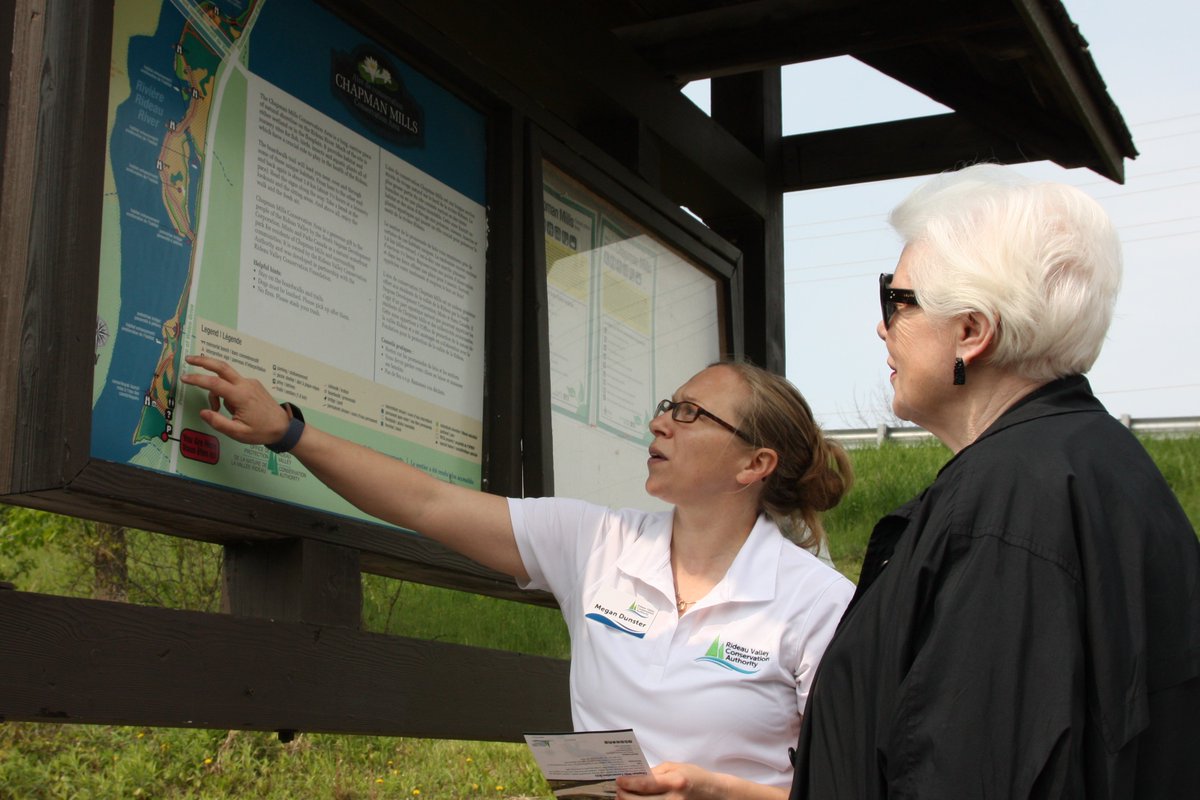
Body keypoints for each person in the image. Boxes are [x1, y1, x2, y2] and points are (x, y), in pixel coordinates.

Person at [182, 356, 855, 799]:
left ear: (752, 465)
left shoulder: (819, 605)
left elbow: (859, 788)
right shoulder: (596, 542)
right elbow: (426, 502)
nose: (659, 422)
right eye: (666, 405)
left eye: (691, 413)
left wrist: (712, 790)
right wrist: (286, 432)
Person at [789, 164, 1200, 799]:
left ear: (972, 332)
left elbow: (970, 769)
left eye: (895, 301)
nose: (881, 326)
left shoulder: (1011, 501)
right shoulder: (1089, 466)